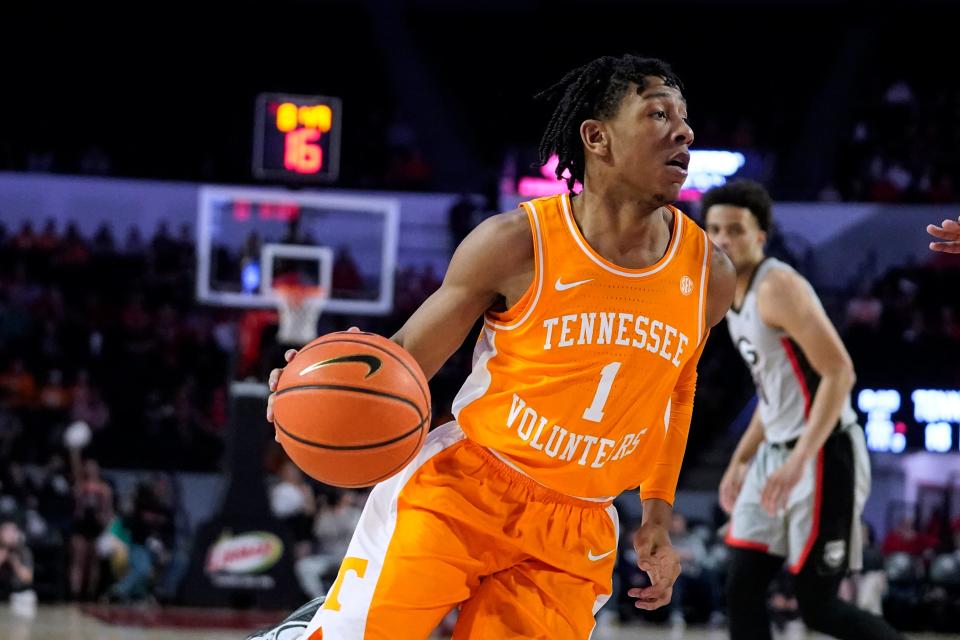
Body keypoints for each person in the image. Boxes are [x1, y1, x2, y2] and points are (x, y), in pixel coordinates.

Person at [255, 54, 735, 639]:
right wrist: (320, 387)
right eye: (659, 114)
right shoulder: (516, 243)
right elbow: (407, 356)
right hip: (468, 485)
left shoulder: (709, 271)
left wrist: (657, 514)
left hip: (577, 525)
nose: (684, 131)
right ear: (597, 138)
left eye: (684, 119)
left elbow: (678, 390)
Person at [704, 180, 903, 639]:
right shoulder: (729, 293)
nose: (723, 239)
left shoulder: (779, 287)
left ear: (760, 236)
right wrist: (739, 459)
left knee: (819, 607)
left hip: (824, 452)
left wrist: (798, 461)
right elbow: (773, 392)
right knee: (742, 588)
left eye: (735, 229)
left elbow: (840, 374)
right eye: (714, 228)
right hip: (777, 452)